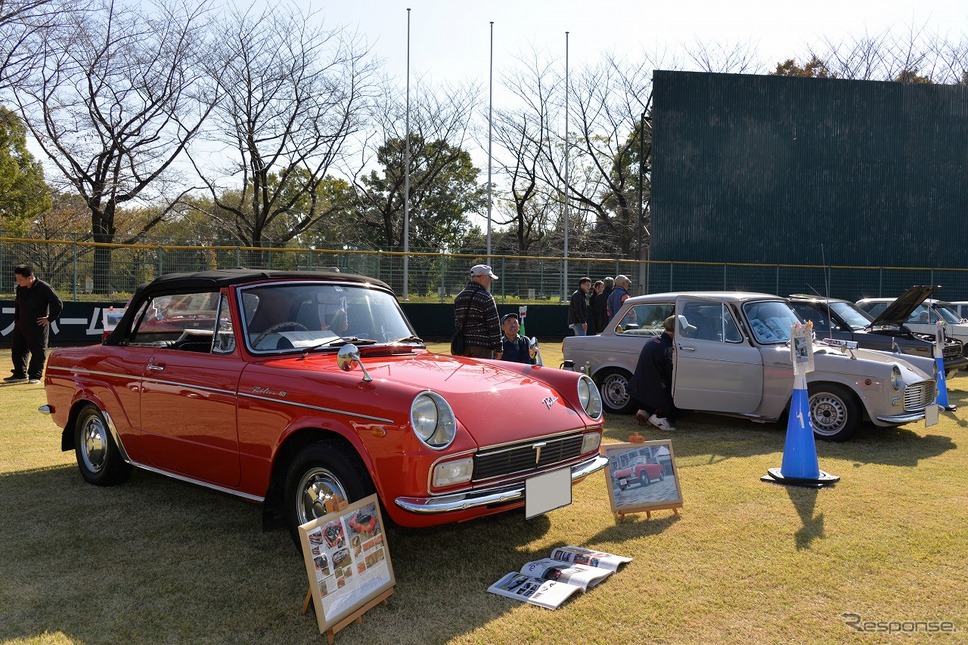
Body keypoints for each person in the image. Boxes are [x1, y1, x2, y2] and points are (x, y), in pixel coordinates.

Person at [6, 264, 63, 385]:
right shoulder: (20, 288)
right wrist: (17, 319)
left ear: (30, 277)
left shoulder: (44, 288)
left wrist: (49, 318)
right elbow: (17, 304)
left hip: (38, 325)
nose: (18, 281)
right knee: (17, 349)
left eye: (20, 279)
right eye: (17, 278)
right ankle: (19, 373)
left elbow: (57, 303)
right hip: (21, 324)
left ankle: (35, 375)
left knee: (38, 350)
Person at [628, 315, 682, 431]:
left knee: (656, 383)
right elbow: (672, 377)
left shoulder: (652, 341)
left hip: (638, 391)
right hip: (654, 394)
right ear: (675, 332)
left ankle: (644, 410)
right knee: (678, 399)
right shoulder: (668, 349)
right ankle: (659, 417)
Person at [453, 264, 502, 359]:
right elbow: (493, 326)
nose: (490, 281)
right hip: (482, 347)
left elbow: (457, 324)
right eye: (489, 278)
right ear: (483, 277)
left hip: (463, 347)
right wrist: (498, 348)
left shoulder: (459, 297)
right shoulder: (486, 297)